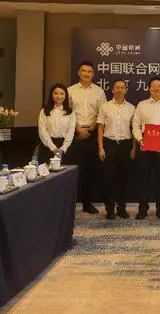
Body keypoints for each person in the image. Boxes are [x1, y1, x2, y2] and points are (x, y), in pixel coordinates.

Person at [132, 77, 160, 220]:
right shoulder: (141, 104)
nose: (156, 88)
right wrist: (140, 140)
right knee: (143, 178)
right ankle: (142, 209)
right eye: (153, 86)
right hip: (145, 143)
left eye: (159, 86)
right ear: (149, 88)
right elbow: (135, 125)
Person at [68, 61, 107, 214]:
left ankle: (87, 203)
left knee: (90, 170)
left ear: (93, 74)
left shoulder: (99, 91)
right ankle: (70, 203)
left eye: (89, 71)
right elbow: (67, 112)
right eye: (84, 71)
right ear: (79, 72)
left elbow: (102, 112)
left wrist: (91, 128)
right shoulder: (70, 91)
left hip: (92, 133)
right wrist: (77, 128)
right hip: (74, 133)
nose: (86, 74)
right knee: (72, 169)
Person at [97, 79, 136, 220]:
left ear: (126, 90)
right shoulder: (105, 106)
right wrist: (101, 147)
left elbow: (134, 129)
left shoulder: (132, 108)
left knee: (123, 178)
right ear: (112, 90)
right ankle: (110, 209)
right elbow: (100, 127)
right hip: (109, 144)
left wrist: (134, 147)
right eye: (117, 87)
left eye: (122, 88)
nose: (120, 90)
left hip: (125, 145)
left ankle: (122, 208)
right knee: (108, 178)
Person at [37, 83, 75, 164]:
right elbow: (42, 131)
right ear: (51, 95)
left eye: (62, 94)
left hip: (65, 146)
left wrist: (63, 148)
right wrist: (53, 148)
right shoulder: (44, 111)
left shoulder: (70, 112)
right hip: (47, 146)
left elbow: (71, 131)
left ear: (65, 96)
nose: (59, 96)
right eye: (56, 93)